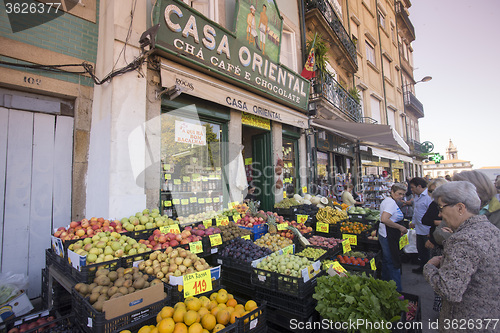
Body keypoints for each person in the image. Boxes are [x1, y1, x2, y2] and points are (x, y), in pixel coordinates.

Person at [424, 181, 500, 331]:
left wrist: (429, 268)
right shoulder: (491, 229)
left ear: (460, 208)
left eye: (441, 208)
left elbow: (449, 290)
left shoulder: (462, 240)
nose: (440, 214)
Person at [420, 177, 447, 312]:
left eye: (432, 190)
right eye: (430, 191)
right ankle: (441, 309)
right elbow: (425, 219)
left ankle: (443, 309)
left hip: (443, 243)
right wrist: (439, 223)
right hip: (437, 242)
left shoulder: (448, 204)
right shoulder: (434, 204)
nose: (431, 194)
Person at [378, 183, 408, 292]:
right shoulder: (390, 203)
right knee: (392, 262)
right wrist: (400, 227)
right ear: (392, 192)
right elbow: (384, 219)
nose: (401, 196)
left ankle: (386, 284)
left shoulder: (389, 201)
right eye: (399, 193)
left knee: (387, 261)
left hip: (386, 235)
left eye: (403, 194)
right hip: (388, 236)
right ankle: (396, 290)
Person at [409, 177, 432, 274]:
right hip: (419, 228)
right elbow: (416, 211)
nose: (411, 190)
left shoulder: (428, 197)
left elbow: (431, 213)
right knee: (421, 249)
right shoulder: (417, 197)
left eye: (413, 187)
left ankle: (429, 270)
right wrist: (413, 221)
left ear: (419, 186)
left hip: (427, 230)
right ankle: (422, 267)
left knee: (428, 251)